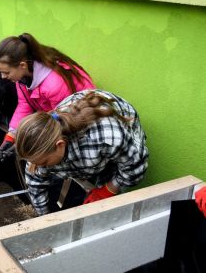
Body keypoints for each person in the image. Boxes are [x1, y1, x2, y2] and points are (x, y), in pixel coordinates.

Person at [15, 89, 149, 216]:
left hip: (122, 131)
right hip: (83, 152)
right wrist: (43, 217)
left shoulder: (105, 137)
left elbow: (135, 167)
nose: (40, 167)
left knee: (110, 199)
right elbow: (35, 181)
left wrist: (109, 189)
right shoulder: (39, 147)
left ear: (60, 145)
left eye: (44, 162)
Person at [0, 32, 95, 162]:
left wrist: (25, 145)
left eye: (6, 72)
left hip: (83, 123)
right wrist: (12, 135)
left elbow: (61, 121)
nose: (2, 77)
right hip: (59, 117)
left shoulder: (54, 85)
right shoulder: (23, 77)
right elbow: (25, 104)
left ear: (22, 65)